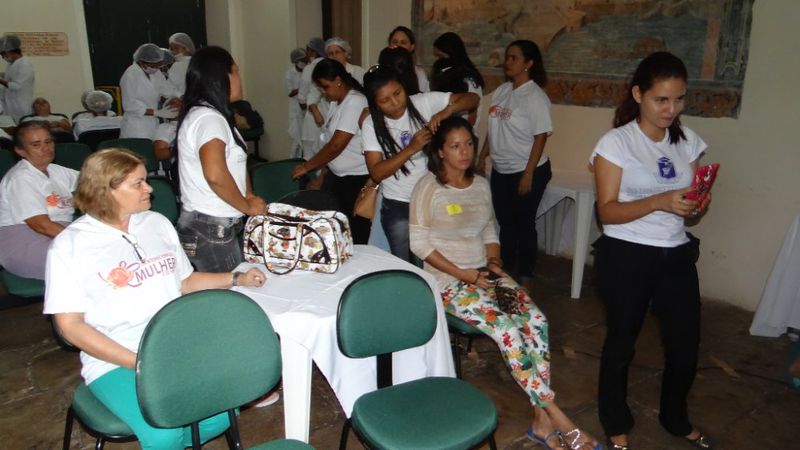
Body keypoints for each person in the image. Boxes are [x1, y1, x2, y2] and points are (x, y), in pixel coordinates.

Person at [43, 148, 267, 449]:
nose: (149, 188)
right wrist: (140, 362)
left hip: (175, 348)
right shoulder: (70, 245)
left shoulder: (156, 223)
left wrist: (236, 278)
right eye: (137, 183)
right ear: (105, 191)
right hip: (116, 360)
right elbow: (70, 326)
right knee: (164, 431)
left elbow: (184, 282)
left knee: (224, 410)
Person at [410, 117, 600, 450]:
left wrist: (495, 265)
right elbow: (420, 244)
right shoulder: (428, 187)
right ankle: (556, 415)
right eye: (455, 146)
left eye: (469, 143)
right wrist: (466, 274)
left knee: (536, 321)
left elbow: (488, 232)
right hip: (447, 280)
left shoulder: (481, 185)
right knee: (508, 331)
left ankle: (541, 422)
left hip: (486, 272)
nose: (465, 151)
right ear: (440, 151)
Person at [591, 52, 714, 450]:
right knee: (621, 343)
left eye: (679, 99)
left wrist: (696, 203)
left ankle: (675, 417)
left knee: (685, 346)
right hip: (627, 253)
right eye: (662, 99)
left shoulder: (688, 140)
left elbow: (690, 200)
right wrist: (660, 201)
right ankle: (615, 419)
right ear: (638, 94)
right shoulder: (617, 142)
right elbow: (607, 213)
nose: (671, 109)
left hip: (675, 253)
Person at [361, 65, 478, 262]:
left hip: (433, 196)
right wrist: (410, 148)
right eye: (385, 100)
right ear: (375, 104)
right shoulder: (371, 124)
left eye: (398, 93)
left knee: (437, 259)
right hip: (398, 203)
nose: (395, 102)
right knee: (403, 262)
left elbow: (472, 99)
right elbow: (377, 173)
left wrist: (446, 112)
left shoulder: (422, 103)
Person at [176, 46, 267, 273]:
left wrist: (249, 195)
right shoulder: (208, 119)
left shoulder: (213, 115)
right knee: (229, 297)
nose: (240, 78)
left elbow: (235, 162)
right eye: (235, 71)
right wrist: (246, 205)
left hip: (215, 224)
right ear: (222, 76)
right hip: (210, 227)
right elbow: (215, 175)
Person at [478, 40, 553, 280]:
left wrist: (528, 174)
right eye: (507, 57)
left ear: (528, 64)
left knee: (524, 223)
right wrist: (482, 156)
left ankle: (527, 272)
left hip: (528, 169)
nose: (508, 62)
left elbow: (540, 136)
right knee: (505, 222)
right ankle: (507, 268)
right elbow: (493, 127)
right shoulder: (502, 91)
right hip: (501, 169)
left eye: (514, 58)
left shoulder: (535, 96)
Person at [291, 58, 371, 243]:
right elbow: (329, 143)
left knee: (355, 233)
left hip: (356, 179)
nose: (322, 91)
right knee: (332, 228)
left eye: (325, 87)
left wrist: (307, 167)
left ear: (338, 80)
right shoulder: (337, 102)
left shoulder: (355, 102)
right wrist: (322, 174)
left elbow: (336, 145)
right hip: (337, 176)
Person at [0, 121, 78, 279]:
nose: (46, 148)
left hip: (57, 234)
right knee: (93, 260)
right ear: (20, 151)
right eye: (36, 144)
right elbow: (41, 225)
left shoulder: (56, 171)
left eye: (48, 142)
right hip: (23, 241)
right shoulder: (21, 178)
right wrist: (83, 240)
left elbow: (93, 180)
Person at [119, 43, 180, 139]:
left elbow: (167, 89)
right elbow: (129, 105)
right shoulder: (130, 75)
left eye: (158, 65)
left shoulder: (155, 73)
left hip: (152, 123)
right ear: (142, 62)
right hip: (136, 125)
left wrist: (182, 97)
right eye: (153, 65)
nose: (156, 68)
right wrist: (157, 113)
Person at [298, 37, 326, 159]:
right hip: (328, 119)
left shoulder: (309, 68)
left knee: (310, 158)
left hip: (312, 120)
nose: (306, 54)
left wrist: (306, 110)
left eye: (308, 51)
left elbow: (302, 97)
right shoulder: (330, 66)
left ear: (313, 52)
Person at [0, 35, 35, 123]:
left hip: (20, 105)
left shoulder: (25, 64)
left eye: (2, 54)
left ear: (8, 52)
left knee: (20, 127)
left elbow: (17, 86)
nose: (2, 57)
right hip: (10, 103)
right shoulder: (12, 63)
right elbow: (10, 76)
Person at [387, 26, 429, 92]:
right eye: (395, 42)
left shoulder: (419, 73)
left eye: (403, 42)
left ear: (412, 47)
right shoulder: (380, 72)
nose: (398, 46)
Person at [285, 48, 307, 158]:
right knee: (296, 139)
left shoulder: (307, 71)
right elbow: (290, 93)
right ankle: (291, 161)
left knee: (304, 138)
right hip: (295, 110)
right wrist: (302, 89)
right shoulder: (289, 74)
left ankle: (300, 161)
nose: (304, 62)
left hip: (305, 109)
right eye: (302, 60)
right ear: (296, 61)